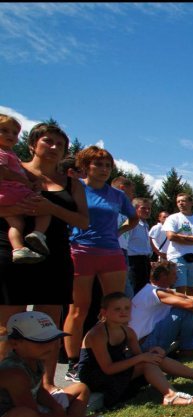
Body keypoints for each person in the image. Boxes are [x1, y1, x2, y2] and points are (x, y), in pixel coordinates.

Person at [0, 122, 90, 392]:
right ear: (32, 144)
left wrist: (50, 207)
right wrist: (17, 207)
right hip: (10, 251)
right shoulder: (10, 169)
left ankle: (46, 386)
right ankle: (6, 390)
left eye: (59, 145)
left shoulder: (71, 183)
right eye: (47, 141)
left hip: (54, 256)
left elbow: (83, 221)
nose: (53, 148)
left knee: (47, 325)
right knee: (6, 325)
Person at [62, 146, 137, 382]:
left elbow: (133, 217)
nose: (104, 169)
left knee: (116, 308)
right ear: (85, 166)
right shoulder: (75, 186)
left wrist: (118, 231)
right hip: (80, 251)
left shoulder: (117, 195)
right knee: (79, 309)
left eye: (108, 166)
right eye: (98, 165)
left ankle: (115, 353)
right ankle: (74, 362)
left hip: (111, 252)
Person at [78, 292, 193, 408]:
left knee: (153, 358)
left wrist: (152, 352)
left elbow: (140, 356)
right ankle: (171, 395)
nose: (123, 312)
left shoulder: (128, 331)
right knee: (147, 361)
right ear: (104, 312)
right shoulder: (98, 334)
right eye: (117, 309)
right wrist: (142, 357)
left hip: (115, 370)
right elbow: (108, 368)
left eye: (127, 308)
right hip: (96, 377)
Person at [0, 311, 106, 417]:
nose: (50, 346)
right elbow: (34, 415)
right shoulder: (13, 373)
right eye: (41, 341)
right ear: (15, 343)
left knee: (80, 388)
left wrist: (55, 407)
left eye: (52, 339)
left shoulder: (34, 357)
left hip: (33, 411)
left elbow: (38, 390)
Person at [0, 114, 52, 263]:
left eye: (14, 133)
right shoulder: (2, 152)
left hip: (5, 196)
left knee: (17, 224)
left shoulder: (10, 153)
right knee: (45, 207)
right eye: (4, 130)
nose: (10, 135)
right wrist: (25, 182)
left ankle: (18, 249)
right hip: (12, 191)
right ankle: (38, 233)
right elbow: (3, 172)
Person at [130, 261, 193, 356]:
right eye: (174, 274)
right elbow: (190, 305)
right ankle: (189, 348)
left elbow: (187, 297)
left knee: (188, 307)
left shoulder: (154, 289)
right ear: (163, 275)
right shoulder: (155, 292)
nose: (177, 277)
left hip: (143, 342)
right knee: (185, 310)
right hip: (146, 344)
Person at [164, 193, 193, 296]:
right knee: (180, 288)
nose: (180, 203)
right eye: (178, 201)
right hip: (177, 256)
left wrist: (182, 237)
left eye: (183, 201)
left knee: (192, 290)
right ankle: (180, 311)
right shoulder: (172, 218)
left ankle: (189, 311)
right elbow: (171, 236)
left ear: (191, 203)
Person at [126, 197, 160, 294]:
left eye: (149, 208)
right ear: (135, 209)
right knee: (135, 288)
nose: (147, 211)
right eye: (143, 208)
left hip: (144, 260)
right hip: (133, 261)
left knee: (144, 288)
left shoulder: (145, 225)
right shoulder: (131, 223)